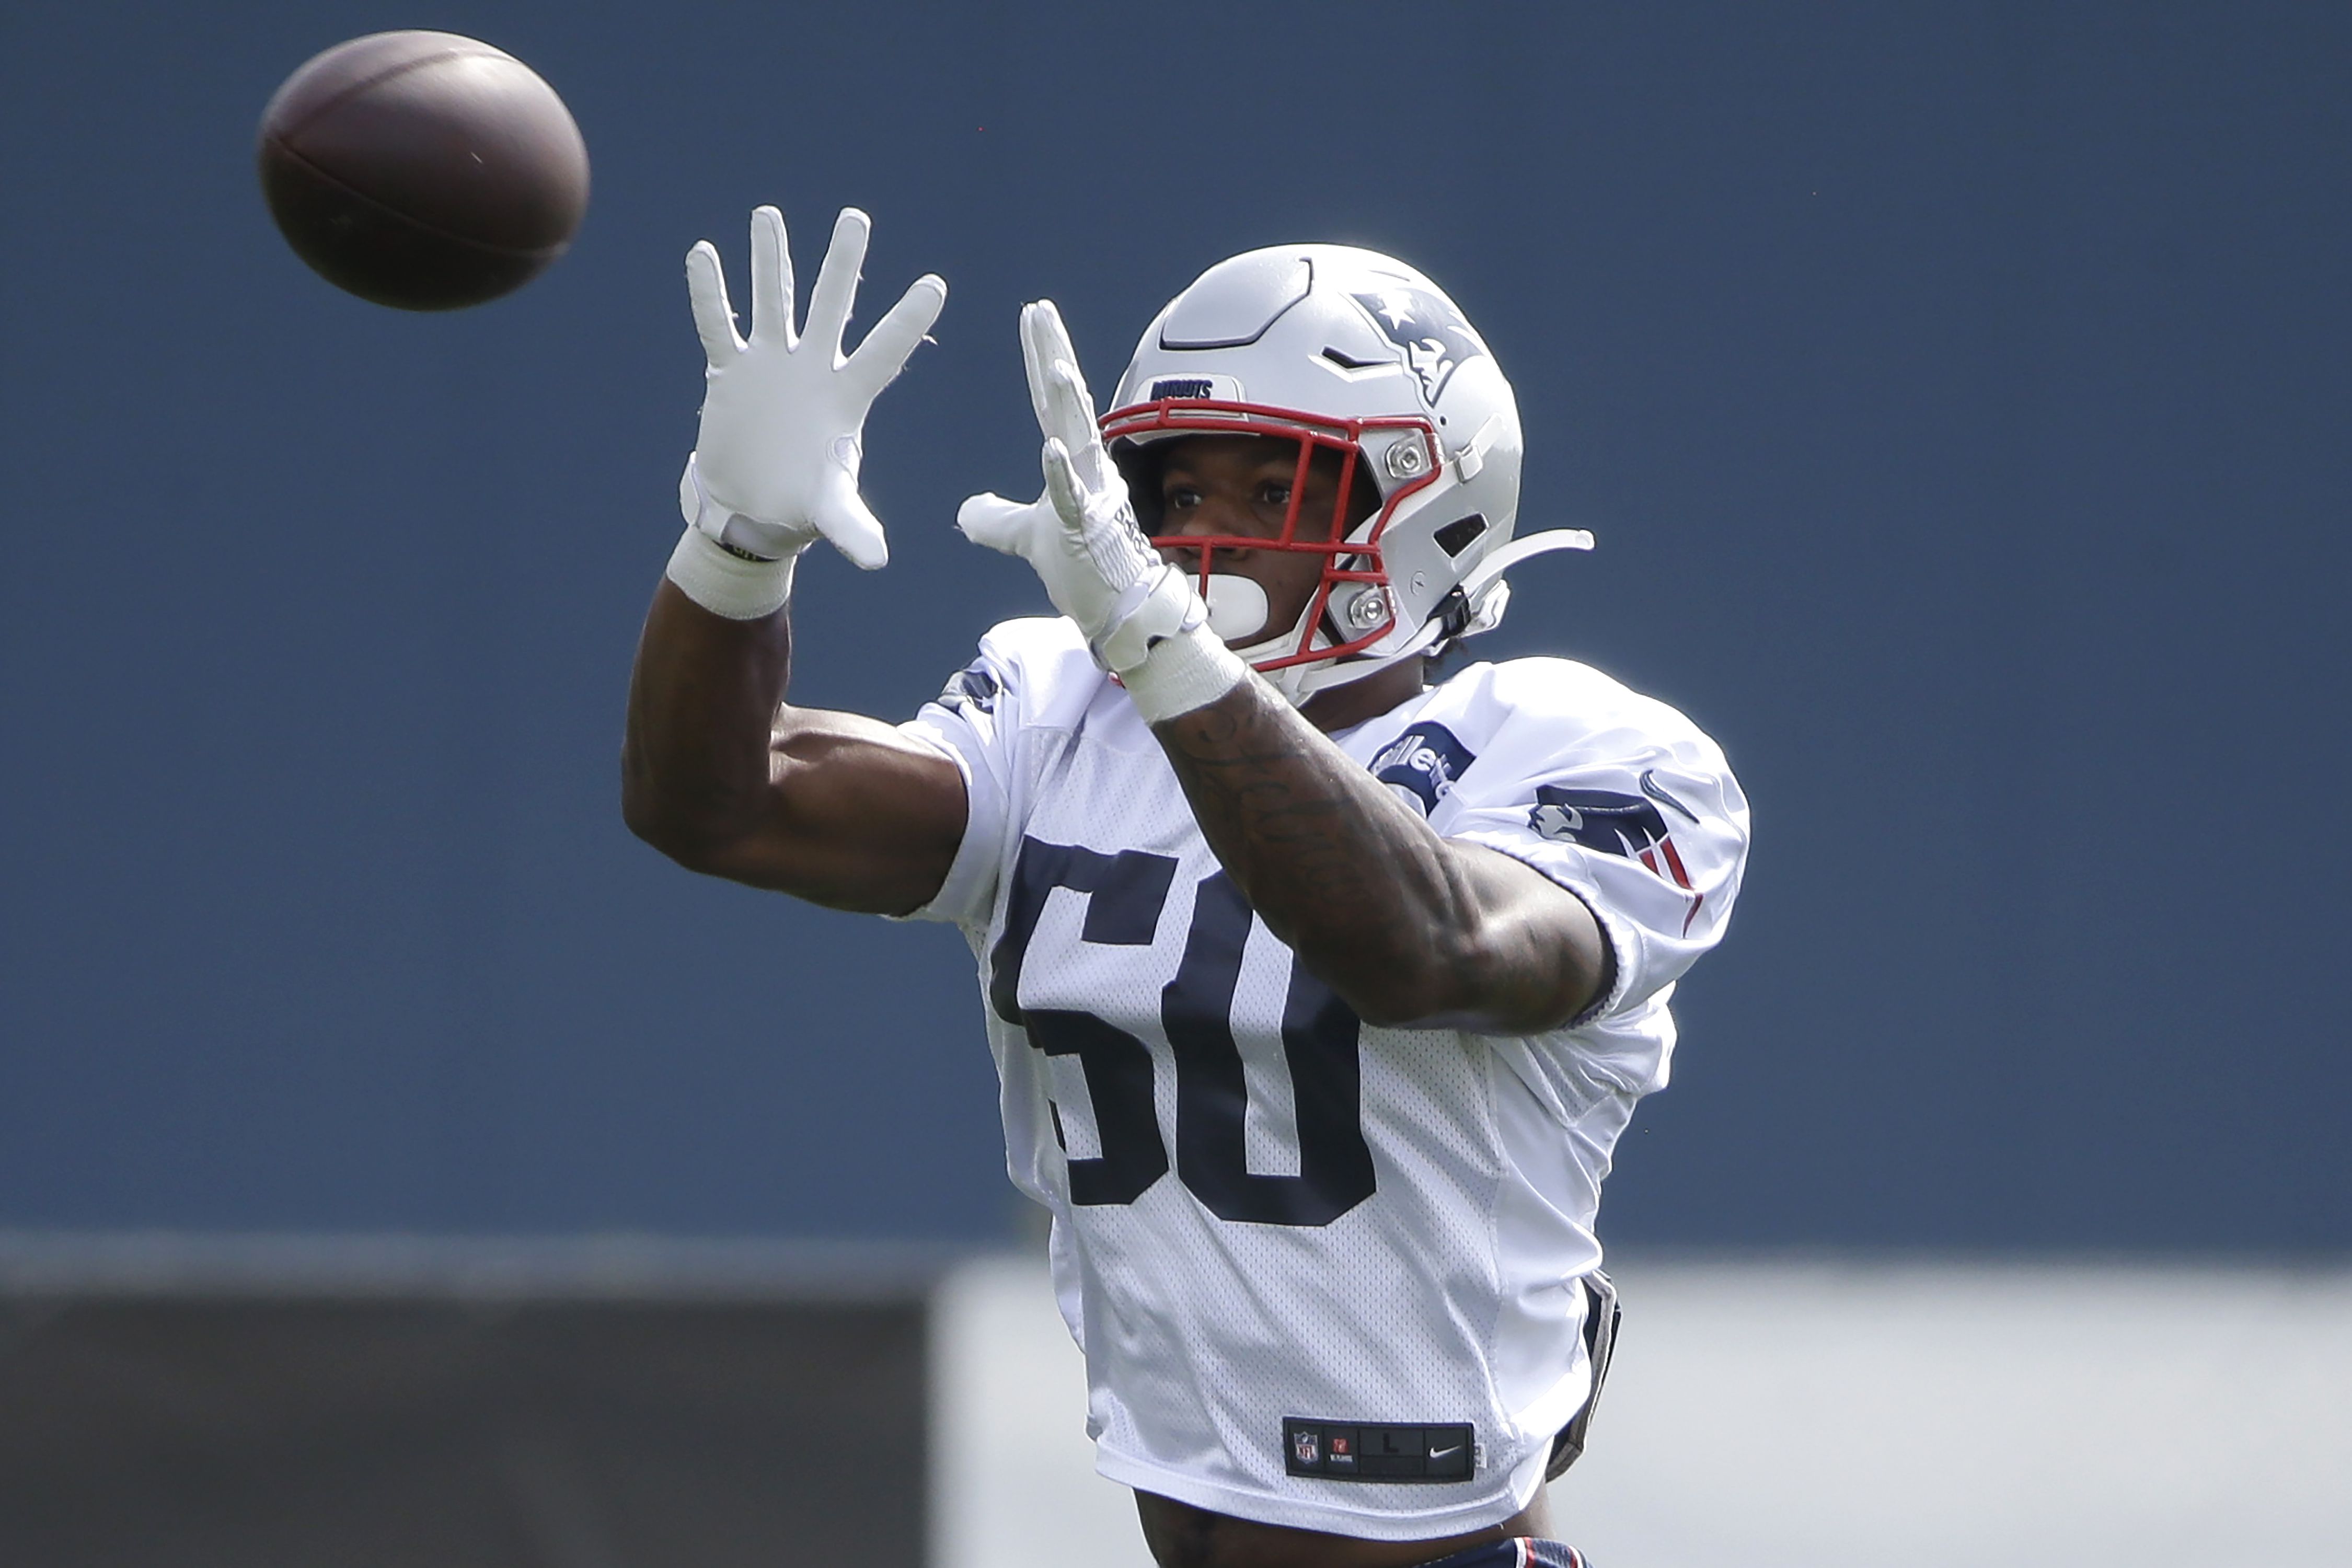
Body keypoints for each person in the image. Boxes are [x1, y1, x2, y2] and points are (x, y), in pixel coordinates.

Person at [623, 205, 1750, 1568]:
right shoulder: (1065, 712)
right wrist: (734, 549)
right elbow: (717, 801)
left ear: (1428, 502)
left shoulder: (1584, 751)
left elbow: (1427, 951)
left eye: (1272, 491)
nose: (1195, 535)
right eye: (1173, 494)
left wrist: (1165, 656)